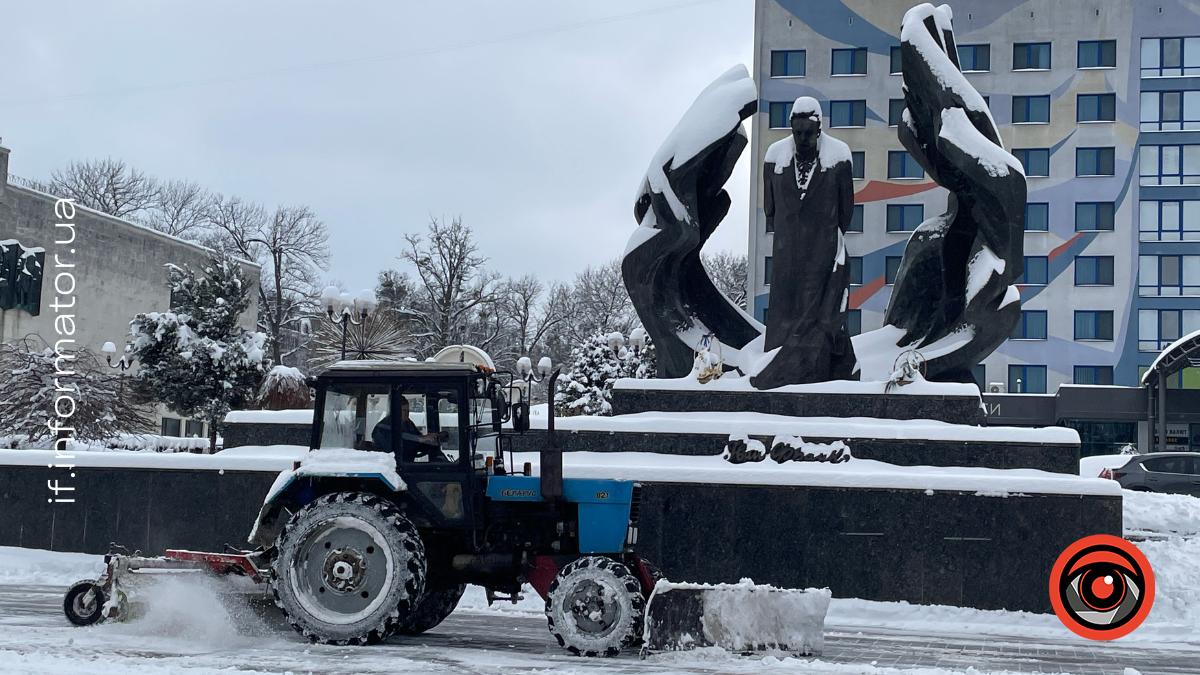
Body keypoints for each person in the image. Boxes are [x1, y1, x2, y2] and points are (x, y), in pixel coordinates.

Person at [751, 96, 858, 389]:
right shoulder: (773, 157)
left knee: (820, 321)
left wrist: (819, 237)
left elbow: (845, 211)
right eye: (798, 132)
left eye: (809, 132)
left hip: (822, 256)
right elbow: (770, 210)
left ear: (819, 128)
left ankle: (820, 369)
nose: (803, 138)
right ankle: (777, 367)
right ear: (790, 129)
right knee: (784, 317)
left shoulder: (839, 157)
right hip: (786, 255)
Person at [372, 396, 450, 464]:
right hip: (392, 467)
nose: (406, 413)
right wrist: (420, 439)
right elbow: (394, 446)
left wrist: (432, 440)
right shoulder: (383, 427)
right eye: (403, 410)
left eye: (407, 410)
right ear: (395, 411)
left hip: (407, 463)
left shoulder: (408, 423)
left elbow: (417, 442)